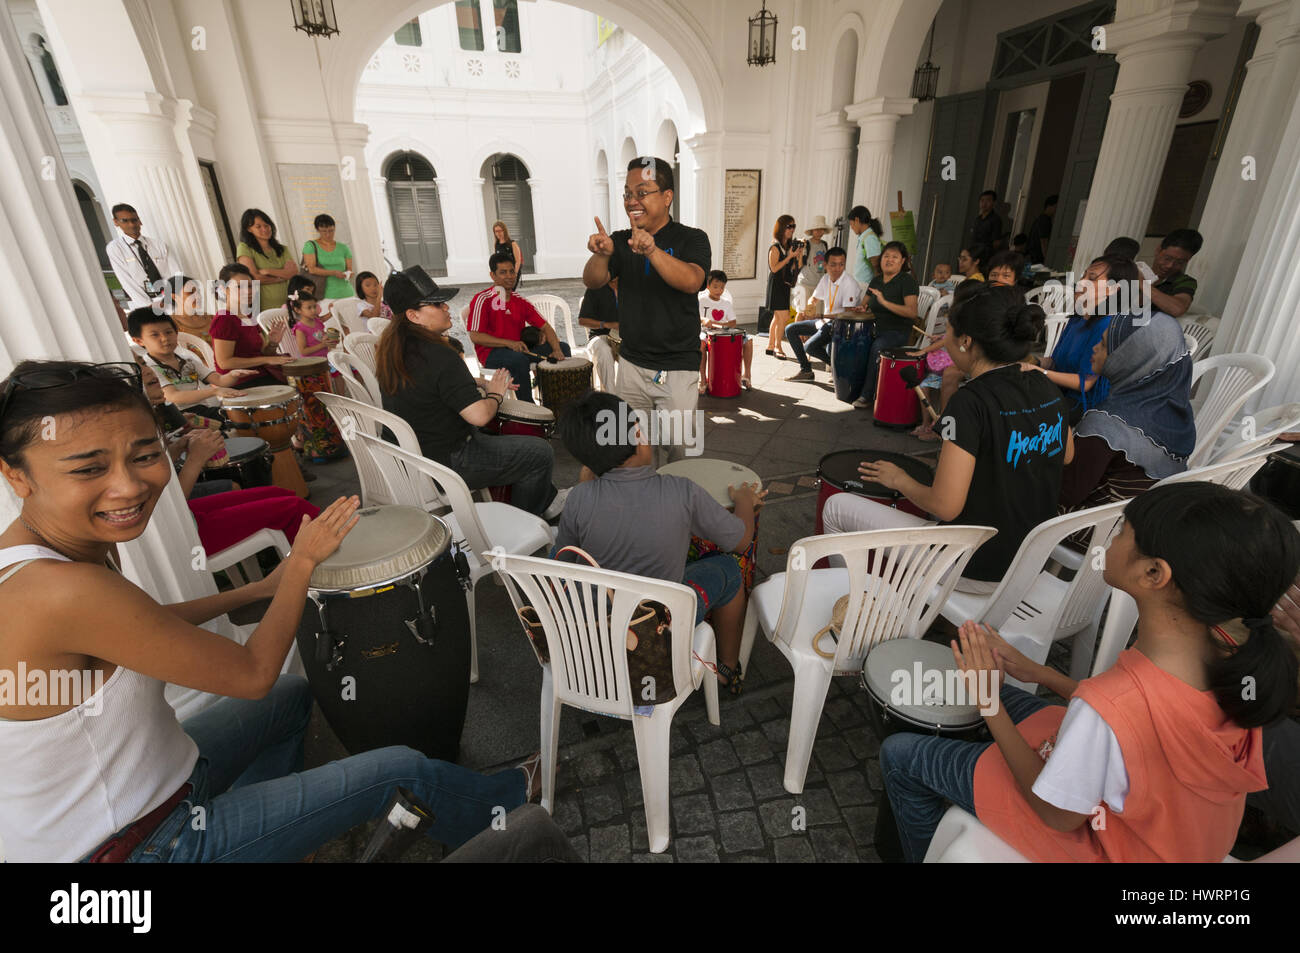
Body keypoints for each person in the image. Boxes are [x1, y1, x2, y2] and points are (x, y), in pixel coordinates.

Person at [0, 360, 544, 863]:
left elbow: (142, 621)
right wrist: (302, 564)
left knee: (290, 700)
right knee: (398, 771)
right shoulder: (60, 589)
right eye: (88, 469)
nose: (128, 485)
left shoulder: (34, 555)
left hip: (159, 785)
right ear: (16, 476)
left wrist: (257, 589)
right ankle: (514, 799)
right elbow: (253, 674)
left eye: (144, 456)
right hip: (138, 845)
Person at [879, 482, 1297, 863]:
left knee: (900, 756)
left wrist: (989, 705)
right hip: (1167, 832)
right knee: (1000, 696)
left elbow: (1057, 814)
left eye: (1121, 532)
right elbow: (1138, 718)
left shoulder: (1110, 707)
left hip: (1103, 845)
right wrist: (1038, 672)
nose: (1110, 542)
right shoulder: (1236, 664)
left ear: (1154, 573)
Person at [823, 284, 1072, 591]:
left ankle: (848, 608)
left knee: (835, 508)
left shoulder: (969, 402)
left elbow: (945, 506)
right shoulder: (1044, 384)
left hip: (973, 567)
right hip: (1032, 563)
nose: (944, 343)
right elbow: (1068, 453)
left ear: (966, 341)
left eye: (948, 334)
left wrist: (899, 479)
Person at [555, 390, 763, 691]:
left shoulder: (578, 498)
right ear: (639, 436)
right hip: (659, 626)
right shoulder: (682, 491)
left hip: (601, 627)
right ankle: (726, 669)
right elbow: (742, 541)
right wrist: (745, 502)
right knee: (728, 569)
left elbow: (563, 560)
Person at [378, 266, 567, 520]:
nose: (446, 308)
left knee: (507, 440)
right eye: (436, 304)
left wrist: (480, 383)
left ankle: (545, 499)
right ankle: (524, 520)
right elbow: (479, 416)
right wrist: (496, 394)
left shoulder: (393, 348)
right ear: (414, 315)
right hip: (447, 462)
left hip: (410, 459)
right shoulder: (440, 354)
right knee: (539, 452)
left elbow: (432, 385)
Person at [583, 156, 711, 466]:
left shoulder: (691, 238)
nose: (632, 201)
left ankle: (679, 510)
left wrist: (651, 250)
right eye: (628, 193)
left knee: (681, 456)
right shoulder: (619, 240)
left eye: (642, 192)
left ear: (667, 197)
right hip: (631, 365)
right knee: (634, 452)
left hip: (677, 368)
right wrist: (602, 256)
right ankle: (644, 509)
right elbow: (592, 279)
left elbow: (692, 281)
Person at [1059, 311, 1195, 509]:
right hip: (1143, 518)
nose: (1095, 348)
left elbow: (1065, 493)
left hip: (1092, 530)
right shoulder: (1176, 415)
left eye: (1104, 345)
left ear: (1127, 358)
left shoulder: (1107, 425)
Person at [1038, 254, 1135, 422]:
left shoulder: (1107, 326)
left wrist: (1040, 372)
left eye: (1092, 278)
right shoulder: (1078, 318)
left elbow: (1085, 383)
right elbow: (1055, 362)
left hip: (1086, 403)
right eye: (1083, 275)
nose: (1081, 282)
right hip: (1060, 391)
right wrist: (1032, 362)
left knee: (1026, 414)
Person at [466, 252, 569, 404]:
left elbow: (546, 327)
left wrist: (556, 349)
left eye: (511, 271)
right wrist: (508, 343)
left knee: (564, 347)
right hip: (491, 353)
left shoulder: (520, 301)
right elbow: (475, 336)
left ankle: (555, 400)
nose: (509, 276)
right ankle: (528, 408)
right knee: (519, 360)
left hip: (518, 349)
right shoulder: (483, 299)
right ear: (492, 275)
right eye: (503, 272)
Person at [129, 308, 253, 417]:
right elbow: (173, 396)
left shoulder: (187, 360)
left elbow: (219, 380)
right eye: (155, 335)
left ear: (176, 333)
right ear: (139, 341)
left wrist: (233, 375)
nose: (165, 338)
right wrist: (214, 391)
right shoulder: (149, 368)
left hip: (202, 411)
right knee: (233, 420)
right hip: (178, 416)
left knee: (240, 415)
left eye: (169, 332)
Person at [848, 240, 920, 410]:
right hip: (873, 328)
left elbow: (912, 312)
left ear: (903, 261)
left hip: (897, 331)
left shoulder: (907, 281)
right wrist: (861, 309)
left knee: (877, 347)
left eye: (895, 257)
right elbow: (865, 306)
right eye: (886, 256)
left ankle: (867, 395)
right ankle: (852, 387)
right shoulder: (877, 280)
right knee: (854, 343)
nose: (889, 259)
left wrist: (884, 301)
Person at [209, 262, 294, 388]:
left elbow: (264, 353)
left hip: (261, 375)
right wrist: (266, 360)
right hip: (239, 382)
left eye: (250, 286)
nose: (248, 291)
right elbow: (225, 363)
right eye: (239, 287)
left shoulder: (249, 315)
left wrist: (273, 343)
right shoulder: (224, 319)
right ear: (224, 289)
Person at [784, 246, 861, 383]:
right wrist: (807, 308)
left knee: (809, 346)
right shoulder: (825, 278)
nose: (837, 268)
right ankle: (806, 370)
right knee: (791, 329)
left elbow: (848, 315)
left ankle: (839, 367)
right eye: (833, 264)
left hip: (840, 325)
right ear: (825, 265)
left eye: (841, 264)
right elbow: (814, 298)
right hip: (825, 322)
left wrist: (819, 315)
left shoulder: (849, 283)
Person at [106, 203, 183, 312]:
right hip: (146, 305)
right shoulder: (115, 248)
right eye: (125, 221)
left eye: (134, 220)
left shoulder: (159, 244)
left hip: (173, 300)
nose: (132, 224)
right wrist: (148, 306)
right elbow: (126, 281)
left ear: (140, 221)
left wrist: (176, 298)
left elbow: (177, 272)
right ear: (116, 222)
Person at [698, 270, 753, 392]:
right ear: (708, 286)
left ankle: (747, 375)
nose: (719, 290)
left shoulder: (726, 303)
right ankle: (703, 379)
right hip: (705, 332)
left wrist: (718, 325)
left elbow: (733, 323)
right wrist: (703, 320)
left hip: (724, 333)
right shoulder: (701, 300)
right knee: (701, 344)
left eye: (722, 287)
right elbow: (695, 316)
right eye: (715, 287)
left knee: (748, 341)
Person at [236, 208, 298, 312]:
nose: (264, 229)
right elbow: (253, 277)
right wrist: (282, 277)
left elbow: (293, 272)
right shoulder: (244, 248)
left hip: (289, 304)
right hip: (264, 307)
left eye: (266, 225)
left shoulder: (282, 249)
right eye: (258, 226)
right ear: (249, 229)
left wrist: (268, 271)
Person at [763, 214, 805, 359]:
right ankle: (778, 346)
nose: (792, 229)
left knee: (778, 317)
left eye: (793, 226)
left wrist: (798, 254)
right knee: (784, 316)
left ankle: (770, 345)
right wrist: (788, 256)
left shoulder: (789, 246)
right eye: (789, 226)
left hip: (785, 285)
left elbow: (797, 267)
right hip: (776, 284)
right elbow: (774, 268)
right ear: (781, 228)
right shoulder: (775, 247)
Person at [1145, 228, 1203, 318]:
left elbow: (1177, 309)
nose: (1170, 265)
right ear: (1158, 250)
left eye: (1179, 262)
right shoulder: (1136, 270)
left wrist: (1141, 283)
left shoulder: (1185, 281)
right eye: (1167, 258)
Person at [578, 278, 619, 391]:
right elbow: (582, 320)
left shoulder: (632, 288)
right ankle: (611, 396)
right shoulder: (595, 289)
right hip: (599, 336)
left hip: (625, 337)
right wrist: (607, 324)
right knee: (605, 352)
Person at [301, 214, 353, 301]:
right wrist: (334, 273)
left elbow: (349, 269)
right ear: (317, 230)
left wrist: (348, 274)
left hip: (347, 293)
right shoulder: (310, 246)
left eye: (331, 230)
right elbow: (312, 269)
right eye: (324, 231)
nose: (328, 234)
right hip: (324, 295)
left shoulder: (344, 247)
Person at [793, 215, 831, 315]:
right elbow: (800, 263)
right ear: (812, 231)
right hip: (805, 283)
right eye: (816, 229)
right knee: (801, 312)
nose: (819, 232)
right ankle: (795, 330)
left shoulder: (824, 245)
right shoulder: (807, 244)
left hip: (819, 285)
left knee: (816, 314)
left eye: (821, 229)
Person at [290, 288, 342, 360]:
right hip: (312, 363)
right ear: (298, 310)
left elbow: (321, 338)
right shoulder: (300, 329)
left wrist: (331, 340)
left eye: (314, 307)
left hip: (325, 358)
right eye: (309, 308)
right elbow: (303, 351)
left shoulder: (317, 321)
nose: (314, 310)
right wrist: (322, 345)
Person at [164, 275, 216, 344]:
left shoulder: (212, 318)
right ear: (174, 297)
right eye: (191, 293)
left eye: (198, 292)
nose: (198, 296)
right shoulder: (170, 325)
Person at [848, 205, 884, 288]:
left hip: (865, 286)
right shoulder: (865, 237)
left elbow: (876, 265)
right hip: (860, 285)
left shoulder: (870, 238)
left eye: (851, 224)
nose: (852, 228)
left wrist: (875, 288)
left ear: (857, 220)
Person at [1024, 194, 1057, 265]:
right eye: (1055, 206)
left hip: (1032, 257)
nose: (1056, 210)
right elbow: (1044, 241)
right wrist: (1047, 259)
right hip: (1036, 258)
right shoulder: (1044, 220)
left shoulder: (1041, 219)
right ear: (1049, 206)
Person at [492, 220, 525, 288]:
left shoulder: (512, 244)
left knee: (508, 292)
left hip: (512, 272)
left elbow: (518, 261)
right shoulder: (496, 244)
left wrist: (514, 274)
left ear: (504, 231)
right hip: (503, 274)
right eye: (496, 231)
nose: (498, 233)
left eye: (500, 230)